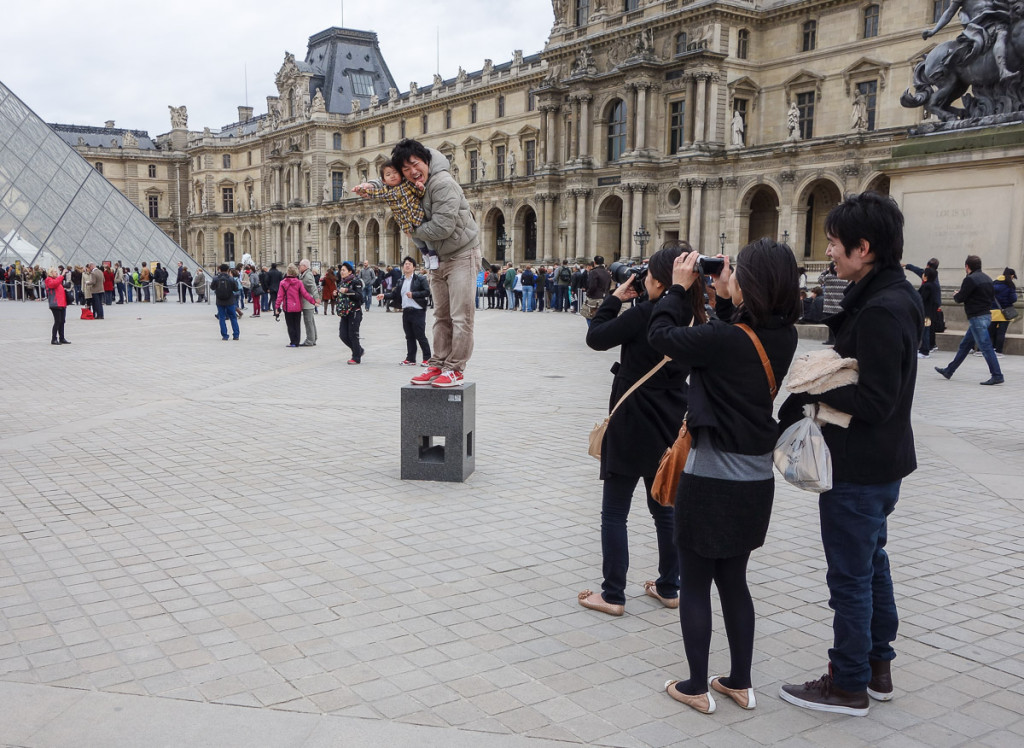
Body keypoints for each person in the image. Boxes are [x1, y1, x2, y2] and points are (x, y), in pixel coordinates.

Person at [778, 192, 923, 716]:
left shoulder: (884, 308)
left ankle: (848, 684)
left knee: (850, 577)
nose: (830, 252)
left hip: (859, 466)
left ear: (864, 248)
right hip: (879, 465)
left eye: (836, 244)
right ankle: (877, 668)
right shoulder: (888, 295)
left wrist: (814, 382)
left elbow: (877, 401)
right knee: (871, 565)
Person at [649, 239, 800, 716]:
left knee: (694, 582)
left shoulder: (723, 340)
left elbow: (662, 336)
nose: (723, 274)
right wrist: (724, 291)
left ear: (751, 283)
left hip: (711, 477)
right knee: (734, 581)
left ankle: (696, 685)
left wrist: (677, 289)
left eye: (734, 270)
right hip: (756, 483)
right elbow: (740, 331)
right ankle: (739, 681)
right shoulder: (784, 335)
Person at [577, 244, 693, 619]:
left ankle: (613, 594)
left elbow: (596, 338)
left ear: (659, 280)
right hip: (671, 421)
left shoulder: (646, 313)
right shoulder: (695, 317)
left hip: (631, 420)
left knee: (614, 512)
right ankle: (669, 586)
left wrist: (613, 299)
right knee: (664, 507)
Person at [393, 139, 481, 389]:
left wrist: (413, 229)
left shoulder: (442, 184)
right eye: (406, 169)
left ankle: (455, 369)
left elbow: (443, 226)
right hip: (436, 258)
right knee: (440, 314)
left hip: (462, 254)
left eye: (415, 164)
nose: (412, 171)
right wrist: (371, 185)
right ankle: (438, 363)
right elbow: (388, 181)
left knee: (461, 316)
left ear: (426, 160)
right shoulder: (412, 184)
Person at [353, 160, 439, 270]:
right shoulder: (385, 191)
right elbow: (374, 193)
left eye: (395, 173)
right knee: (416, 239)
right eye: (388, 175)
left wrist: (420, 188)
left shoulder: (407, 184)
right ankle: (425, 254)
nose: (392, 176)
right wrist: (361, 189)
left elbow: (419, 193)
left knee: (426, 236)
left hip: (417, 215)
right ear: (383, 180)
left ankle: (432, 255)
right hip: (404, 220)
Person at [934, 255, 1004, 385]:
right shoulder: (988, 279)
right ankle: (949, 370)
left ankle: (997, 374)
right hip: (986, 316)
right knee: (965, 345)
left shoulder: (970, 280)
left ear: (967, 266)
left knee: (985, 347)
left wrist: (956, 294)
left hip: (977, 318)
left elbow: (960, 298)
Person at [379, 256, 432, 365]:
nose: (407, 266)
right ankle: (410, 359)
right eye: (405, 264)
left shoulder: (420, 279)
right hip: (406, 311)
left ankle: (428, 359)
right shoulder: (400, 281)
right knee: (409, 336)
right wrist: (384, 295)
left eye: (409, 264)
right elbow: (394, 294)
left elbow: (427, 292)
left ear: (414, 267)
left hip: (418, 311)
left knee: (420, 335)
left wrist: (414, 295)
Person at [275, 264, 316, 347]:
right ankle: (297, 341)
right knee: (297, 325)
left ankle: (293, 342)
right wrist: (313, 301)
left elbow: (280, 296)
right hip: (297, 307)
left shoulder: (283, 283)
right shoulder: (299, 282)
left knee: (290, 325)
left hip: (288, 307)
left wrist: (277, 307)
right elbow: (305, 294)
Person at [336, 261, 365, 363]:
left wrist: (348, 291)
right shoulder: (341, 282)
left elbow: (360, 297)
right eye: (341, 270)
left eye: (343, 270)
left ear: (349, 272)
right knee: (343, 335)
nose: (341, 272)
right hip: (344, 313)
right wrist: (336, 294)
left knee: (353, 335)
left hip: (354, 312)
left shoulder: (356, 282)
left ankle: (356, 357)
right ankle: (359, 350)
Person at [818, 262, 848, 344]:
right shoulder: (845, 277)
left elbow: (820, 279)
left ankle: (831, 339)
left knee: (831, 325)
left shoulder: (828, 277)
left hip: (830, 306)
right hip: (841, 305)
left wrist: (825, 271)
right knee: (840, 325)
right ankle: (839, 339)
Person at [989, 267, 1017, 355]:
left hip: (993, 311)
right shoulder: (1010, 285)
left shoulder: (993, 283)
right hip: (1005, 312)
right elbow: (1013, 299)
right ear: (1012, 275)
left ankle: (989, 349)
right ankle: (999, 351)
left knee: (990, 331)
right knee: (1001, 332)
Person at [917, 267, 941, 358]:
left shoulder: (926, 286)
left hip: (925, 312)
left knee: (925, 332)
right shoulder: (934, 285)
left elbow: (921, 298)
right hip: (930, 312)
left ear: (926, 276)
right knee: (926, 331)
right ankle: (923, 349)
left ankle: (924, 351)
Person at [212, 264, 240, 341]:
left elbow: (212, 287)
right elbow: (236, 289)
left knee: (222, 318)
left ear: (220, 270)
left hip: (220, 301)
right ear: (228, 270)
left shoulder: (216, 278)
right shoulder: (231, 279)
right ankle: (236, 335)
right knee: (233, 318)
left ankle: (225, 336)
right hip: (230, 301)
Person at [44, 268, 70, 344]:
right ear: (50, 273)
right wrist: (62, 275)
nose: (57, 273)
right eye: (55, 272)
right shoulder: (49, 280)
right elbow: (53, 284)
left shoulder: (57, 280)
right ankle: (54, 338)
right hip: (55, 304)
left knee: (62, 321)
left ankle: (62, 338)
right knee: (57, 321)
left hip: (62, 303)